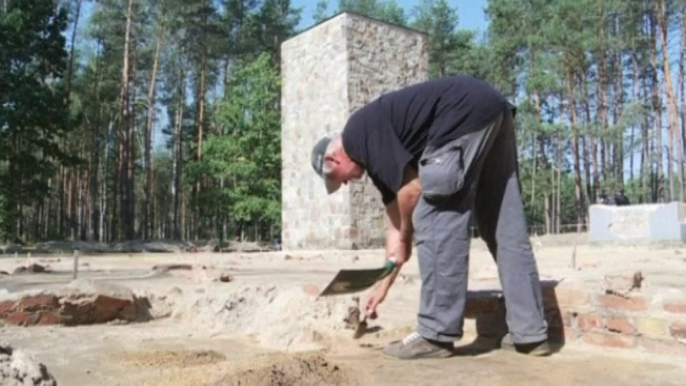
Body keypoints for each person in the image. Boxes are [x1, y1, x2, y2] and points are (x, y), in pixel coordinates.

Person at [310, 75, 551, 360]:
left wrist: (405, 236)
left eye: (340, 180)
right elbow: (396, 228)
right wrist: (382, 285)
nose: (346, 184)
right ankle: (531, 333)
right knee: (502, 225)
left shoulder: (357, 134)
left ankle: (435, 334)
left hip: (462, 116)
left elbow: (412, 192)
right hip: (491, 109)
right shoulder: (376, 155)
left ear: (334, 160)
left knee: (433, 215)